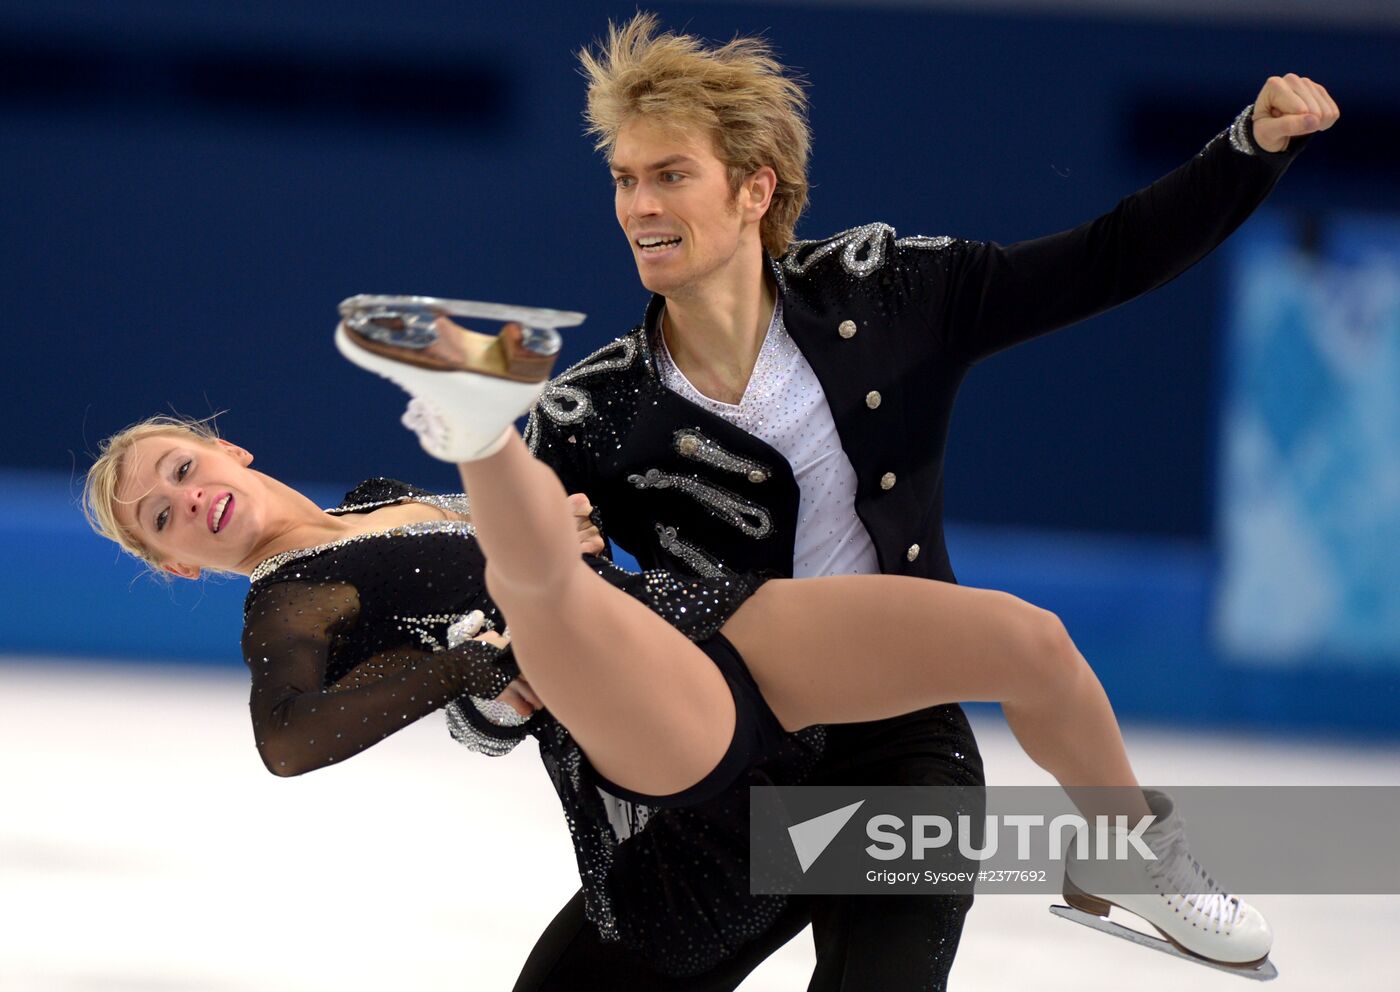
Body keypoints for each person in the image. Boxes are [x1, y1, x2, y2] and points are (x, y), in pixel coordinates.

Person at [509, 13, 1337, 989]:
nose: (637, 204)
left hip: (891, 761)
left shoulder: (886, 293)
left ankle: (1130, 847)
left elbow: (1103, 257)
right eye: (623, 178)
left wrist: (1246, 150)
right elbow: (513, 588)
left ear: (753, 189)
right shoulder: (592, 410)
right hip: (724, 772)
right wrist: (531, 608)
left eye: (669, 174)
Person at [83, 311, 1274, 985]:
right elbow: (288, 742)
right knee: (538, 583)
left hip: (695, 617)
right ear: (174, 561)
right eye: (158, 517)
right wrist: (481, 662)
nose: (185, 500)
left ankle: (1130, 852)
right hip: (642, 732)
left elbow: (496, 675)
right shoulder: (285, 601)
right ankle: (474, 414)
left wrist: (542, 588)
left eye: (181, 469)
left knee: (1028, 641)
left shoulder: (380, 501)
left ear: (223, 450)